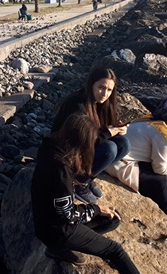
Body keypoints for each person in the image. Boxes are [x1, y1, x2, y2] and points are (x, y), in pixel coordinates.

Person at [32, 114, 167, 274]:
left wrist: (99, 212)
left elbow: (61, 205)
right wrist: (96, 210)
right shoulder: (60, 170)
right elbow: (68, 215)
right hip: (58, 229)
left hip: (46, 222)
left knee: (112, 220)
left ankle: (58, 249)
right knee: (115, 251)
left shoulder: (50, 148)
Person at [107, 107, 167, 227]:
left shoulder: (150, 119)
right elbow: (160, 169)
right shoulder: (166, 133)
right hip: (119, 164)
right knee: (160, 180)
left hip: (117, 155)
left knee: (157, 173)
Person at [52, 67, 130, 204]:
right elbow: (82, 141)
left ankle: (87, 178)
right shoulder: (77, 104)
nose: (105, 93)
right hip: (66, 155)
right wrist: (108, 133)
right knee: (109, 149)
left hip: (82, 152)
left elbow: (97, 134)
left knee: (124, 144)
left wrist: (117, 129)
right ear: (91, 84)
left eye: (109, 90)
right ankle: (78, 183)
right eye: (101, 87)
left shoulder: (100, 104)